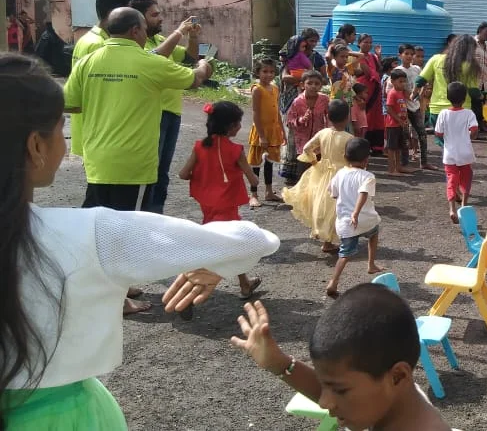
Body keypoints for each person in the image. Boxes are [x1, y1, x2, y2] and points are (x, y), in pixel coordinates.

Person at [0, 53, 278, 428]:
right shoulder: (91, 233)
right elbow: (251, 239)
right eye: (60, 128)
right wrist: (218, 263)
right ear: (36, 146)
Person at [64, 7, 214, 315]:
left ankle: (112, 285)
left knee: (99, 224)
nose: (147, 33)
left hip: (97, 158)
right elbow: (193, 80)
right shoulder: (148, 63)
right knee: (120, 231)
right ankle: (115, 297)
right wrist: (204, 65)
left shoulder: (89, 61)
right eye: (145, 27)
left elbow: (71, 104)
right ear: (135, 31)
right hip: (132, 161)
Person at [230, 287, 454, 431]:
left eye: (339, 390)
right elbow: (333, 390)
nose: (324, 402)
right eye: (328, 387)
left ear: (397, 376)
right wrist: (279, 364)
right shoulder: (396, 401)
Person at [178, 101, 265, 305]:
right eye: (238, 124)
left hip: (208, 208)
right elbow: (253, 179)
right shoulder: (235, 150)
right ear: (230, 126)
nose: (239, 127)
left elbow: (183, 174)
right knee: (225, 249)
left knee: (229, 247)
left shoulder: (199, 146)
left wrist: (203, 175)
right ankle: (189, 288)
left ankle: (245, 284)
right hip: (227, 209)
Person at [131, 0, 200, 214]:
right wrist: (179, 32)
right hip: (154, 113)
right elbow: (153, 57)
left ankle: (155, 214)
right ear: (139, 21)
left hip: (172, 113)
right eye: (154, 14)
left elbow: (189, 58)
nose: (160, 18)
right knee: (150, 169)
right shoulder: (136, 45)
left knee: (162, 171)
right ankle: (142, 216)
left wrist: (193, 37)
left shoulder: (158, 39)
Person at [283, 99, 355, 255]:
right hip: (342, 175)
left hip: (322, 172)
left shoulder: (323, 133)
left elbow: (307, 148)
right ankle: (334, 240)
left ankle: (325, 237)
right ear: (347, 117)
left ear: (328, 117)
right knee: (339, 206)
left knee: (322, 203)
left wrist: (315, 161)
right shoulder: (349, 138)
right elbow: (352, 159)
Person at [69, 0, 132, 157]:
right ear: (115, 12)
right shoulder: (100, 45)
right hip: (97, 132)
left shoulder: (86, 39)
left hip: (89, 130)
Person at [326, 138, 385, 297]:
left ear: (345, 157)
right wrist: (356, 212)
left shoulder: (340, 173)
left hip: (345, 223)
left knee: (344, 255)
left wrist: (349, 210)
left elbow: (331, 192)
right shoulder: (368, 176)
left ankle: (333, 281)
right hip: (365, 220)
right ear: (367, 160)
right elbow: (363, 193)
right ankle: (371, 264)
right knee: (374, 233)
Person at [415, 34, 481, 142]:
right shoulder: (469, 65)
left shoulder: (436, 59)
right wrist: (481, 96)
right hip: (462, 110)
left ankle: (447, 157)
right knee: (459, 142)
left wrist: (414, 92)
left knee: (444, 142)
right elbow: (473, 91)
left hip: (437, 110)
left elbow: (420, 80)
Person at [279, 29, 321, 183]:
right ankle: (290, 172)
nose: (309, 47)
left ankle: (305, 171)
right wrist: (301, 78)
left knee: (305, 134)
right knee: (292, 135)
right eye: (303, 46)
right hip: (291, 101)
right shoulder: (286, 62)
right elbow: (285, 78)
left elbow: (313, 73)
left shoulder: (312, 57)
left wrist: (304, 79)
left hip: (304, 99)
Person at [435, 82, 479, 224]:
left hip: (450, 154)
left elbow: (438, 133)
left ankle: (452, 208)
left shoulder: (443, 113)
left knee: (451, 179)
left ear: (448, 97)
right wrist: (468, 137)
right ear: (465, 97)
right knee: (466, 178)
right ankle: (464, 205)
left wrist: (447, 139)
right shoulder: (468, 113)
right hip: (465, 152)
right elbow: (474, 130)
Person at [247, 58, 287, 207]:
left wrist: (282, 131)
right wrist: (262, 136)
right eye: (264, 71)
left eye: (271, 72)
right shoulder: (257, 89)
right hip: (260, 132)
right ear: (258, 72)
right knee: (256, 163)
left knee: (270, 162)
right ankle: (253, 194)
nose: (268, 75)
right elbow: (256, 114)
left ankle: (269, 192)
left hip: (273, 131)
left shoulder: (275, 88)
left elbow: (277, 111)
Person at [287, 70, 331, 184]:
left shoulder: (324, 99)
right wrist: (301, 120)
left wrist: (329, 132)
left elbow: (330, 117)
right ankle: (303, 196)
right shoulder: (297, 102)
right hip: (303, 143)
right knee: (303, 172)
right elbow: (290, 121)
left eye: (317, 84)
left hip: (319, 142)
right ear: (302, 85)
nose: (313, 86)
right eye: (310, 83)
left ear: (321, 85)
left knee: (318, 170)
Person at [395, 44, 434, 170]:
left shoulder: (416, 69)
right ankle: (404, 163)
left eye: (411, 54)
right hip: (404, 107)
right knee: (405, 136)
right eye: (406, 53)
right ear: (400, 55)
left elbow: (423, 81)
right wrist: (409, 95)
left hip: (415, 106)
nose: (409, 56)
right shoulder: (397, 71)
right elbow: (394, 89)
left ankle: (424, 161)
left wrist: (421, 94)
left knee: (422, 134)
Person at [354, 34, 387, 152]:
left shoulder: (373, 57)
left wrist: (379, 56)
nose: (368, 44)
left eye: (369, 42)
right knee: (364, 116)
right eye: (365, 42)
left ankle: (377, 146)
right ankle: (363, 146)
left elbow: (380, 70)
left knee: (376, 117)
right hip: (363, 90)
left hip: (375, 89)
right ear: (359, 43)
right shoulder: (356, 56)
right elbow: (367, 73)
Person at [384, 69, 416, 176]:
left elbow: (404, 106)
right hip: (392, 125)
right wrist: (398, 120)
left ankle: (399, 167)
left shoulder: (401, 93)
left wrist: (405, 120)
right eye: (400, 81)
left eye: (404, 81)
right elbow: (389, 108)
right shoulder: (392, 93)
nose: (403, 84)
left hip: (400, 124)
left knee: (398, 147)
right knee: (392, 148)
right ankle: (391, 170)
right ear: (392, 81)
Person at [473, 22, 487, 131]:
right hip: (473, 82)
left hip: (483, 83)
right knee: (474, 105)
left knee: (482, 104)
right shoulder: (471, 44)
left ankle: (480, 125)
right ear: (480, 30)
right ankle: (474, 128)